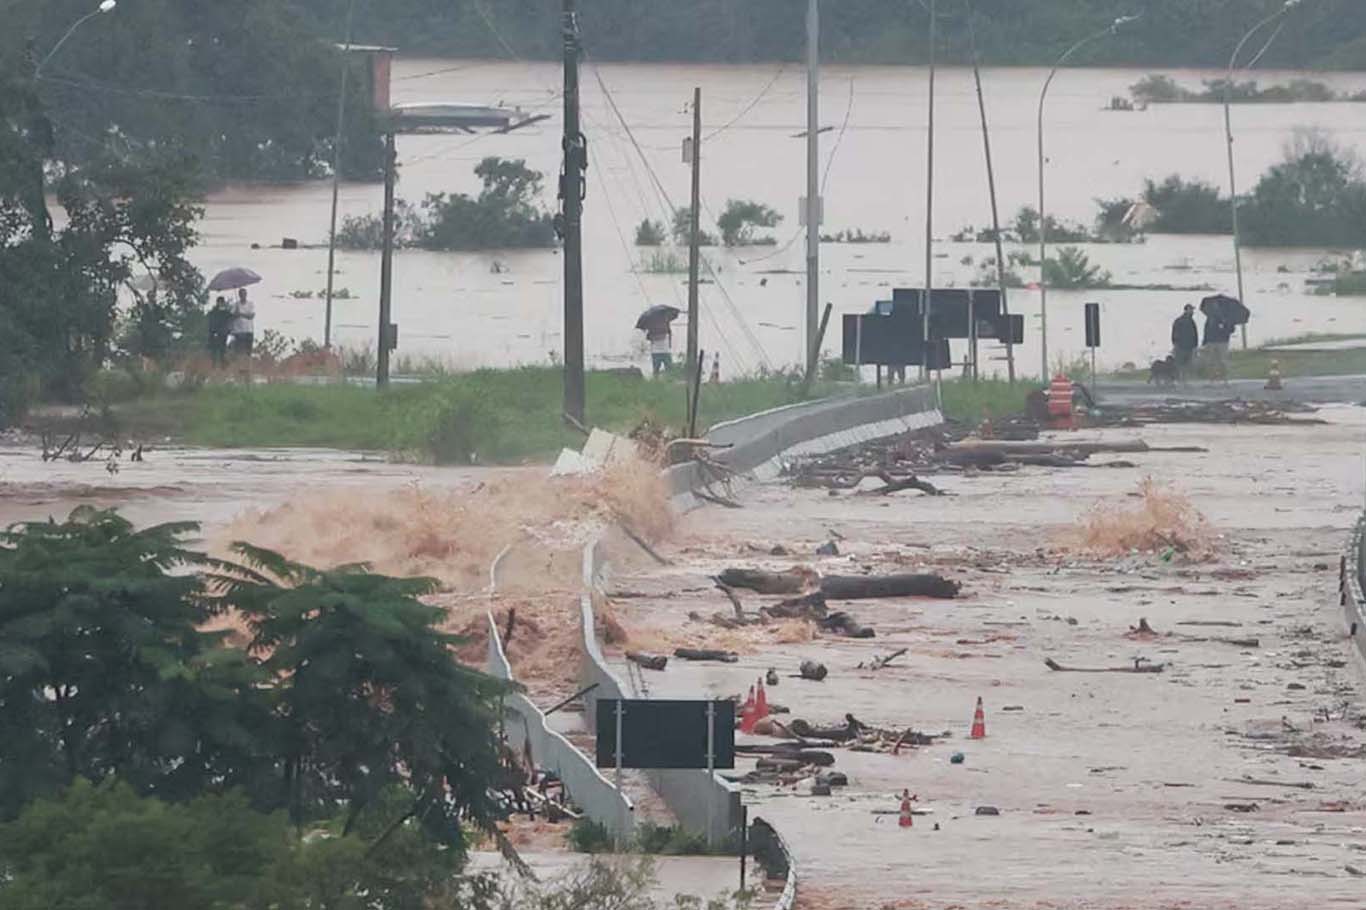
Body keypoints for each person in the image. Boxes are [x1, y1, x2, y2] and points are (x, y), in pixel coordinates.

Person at [1199, 298, 1233, 381]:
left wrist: (1224, 326)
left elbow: (1231, 329)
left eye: (1216, 305)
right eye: (1213, 306)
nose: (1215, 307)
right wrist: (1204, 340)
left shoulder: (1225, 317)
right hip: (1211, 341)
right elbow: (1206, 329)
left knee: (1223, 361)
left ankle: (1225, 378)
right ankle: (1212, 378)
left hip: (1222, 341)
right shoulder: (1210, 317)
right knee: (1211, 361)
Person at [1170, 304, 1199, 382]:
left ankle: (1183, 380)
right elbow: (1174, 334)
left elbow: (1195, 334)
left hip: (1188, 346)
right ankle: (1180, 381)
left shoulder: (1191, 321)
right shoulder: (1180, 321)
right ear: (1186, 310)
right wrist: (1175, 344)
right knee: (1181, 364)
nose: (1192, 311)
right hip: (1181, 346)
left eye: (1192, 310)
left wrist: (1195, 346)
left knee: (1185, 365)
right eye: (1191, 309)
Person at [229, 287, 255, 360]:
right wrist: (236, 313)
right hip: (238, 331)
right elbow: (231, 316)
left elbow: (251, 316)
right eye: (241, 294)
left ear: (246, 295)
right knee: (239, 351)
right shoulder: (235, 305)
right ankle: (239, 367)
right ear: (239, 295)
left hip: (248, 330)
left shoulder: (250, 304)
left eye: (244, 294)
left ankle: (248, 368)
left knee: (248, 351)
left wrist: (241, 314)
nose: (243, 295)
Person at [208, 296, 232, 366]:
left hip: (223, 333)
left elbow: (230, 317)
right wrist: (213, 331)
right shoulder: (214, 312)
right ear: (217, 303)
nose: (221, 303)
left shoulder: (225, 311)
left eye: (222, 302)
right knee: (214, 350)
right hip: (215, 333)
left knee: (222, 349)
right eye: (219, 302)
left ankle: (222, 364)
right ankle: (214, 364)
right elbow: (212, 322)